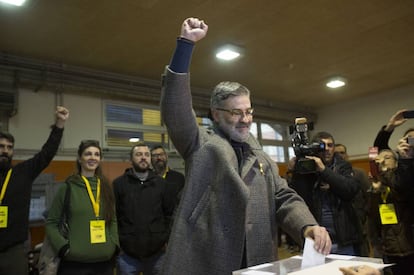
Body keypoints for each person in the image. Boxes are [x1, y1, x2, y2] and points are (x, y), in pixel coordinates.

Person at [159, 17, 331, 275]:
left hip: (257, 261)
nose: (246, 119)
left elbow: (283, 197)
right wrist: (185, 45)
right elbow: (175, 110)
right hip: (209, 261)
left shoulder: (260, 154)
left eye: (249, 111)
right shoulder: (201, 145)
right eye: (236, 112)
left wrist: (307, 226)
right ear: (216, 114)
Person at [0, 106, 69, 275]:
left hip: (13, 250)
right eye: (1, 146)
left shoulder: (22, 173)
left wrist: (59, 124)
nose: (5, 150)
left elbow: (46, 154)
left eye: (9, 147)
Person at [45, 140, 119, 275]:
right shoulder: (67, 188)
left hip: (104, 263)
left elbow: (112, 219)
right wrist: (63, 248)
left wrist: (114, 245)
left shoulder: (106, 187)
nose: (93, 157)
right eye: (88, 154)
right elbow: (51, 223)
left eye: (97, 154)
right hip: (74, 265)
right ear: (80, 159)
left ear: (100, 159)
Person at [289, 132, 362, 256]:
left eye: (330, 145)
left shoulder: (343, 166)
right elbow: (298, 196)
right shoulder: (307, 168)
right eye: (322, 146)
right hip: (317, 241)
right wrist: (297, 169)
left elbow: (350, 190)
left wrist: (323, 170)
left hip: (344, 240)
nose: (327, 149)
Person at [113, 142, 175, 275]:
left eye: (146, 155)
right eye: (138, 154)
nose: (143, 157)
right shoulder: (119, 184)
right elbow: (114, 216)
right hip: (127, 257)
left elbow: (169, 215)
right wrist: (119, 245)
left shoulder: (162, 185)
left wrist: (165, 240)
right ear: (131, 159)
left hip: (157, 255)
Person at [366, 149, 414, 275]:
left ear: (396, 162)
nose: (383, 162)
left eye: (387, 158)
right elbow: (374, 218)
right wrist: (375, 193)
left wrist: (386, 175)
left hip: (410, 244)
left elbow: (401, 194)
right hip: (391, 248)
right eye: (379, 159)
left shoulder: (402, 181)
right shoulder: (377, 186)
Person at [335, 144, 371, 256]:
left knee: (363, 256)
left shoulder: (359, 173)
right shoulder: (330, 175)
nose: (340, 155)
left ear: (347, 155)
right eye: (337, 153)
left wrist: (363, 215)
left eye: (342, 152)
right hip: (342, 228)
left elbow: (369, 195)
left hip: (360, 223)